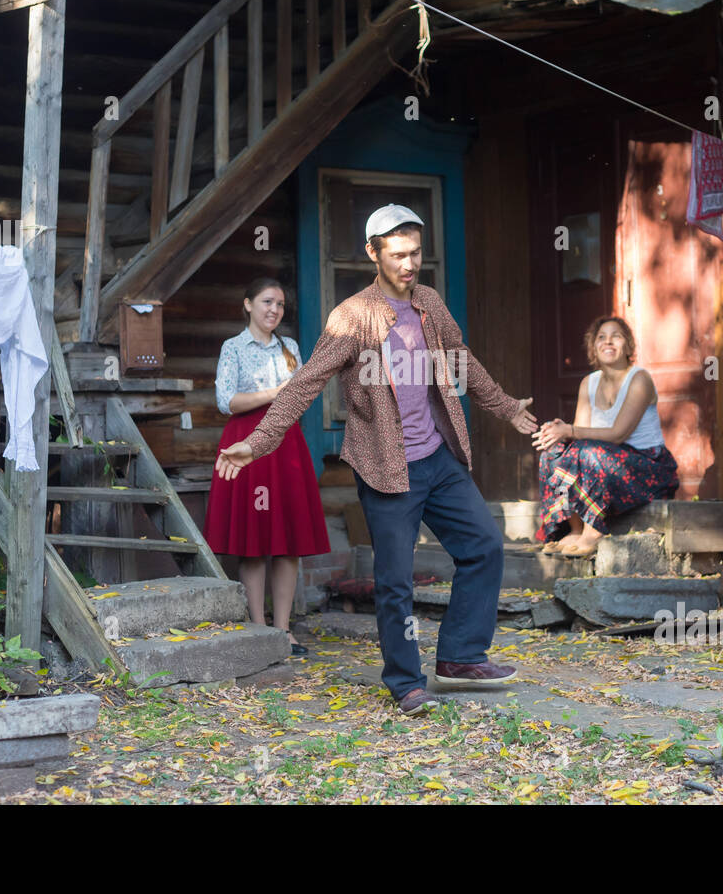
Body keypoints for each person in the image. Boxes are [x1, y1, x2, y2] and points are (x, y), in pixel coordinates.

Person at [215, 204, 539, 715]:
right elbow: (306, 383)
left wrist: (505, 408)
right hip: (388, 467)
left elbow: (462, 361)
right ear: (373, 253)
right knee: (395, 580)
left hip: (438, 456)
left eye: (415, 253)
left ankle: (459, 656)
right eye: (398, 254)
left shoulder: (429, 303)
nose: (409, 264)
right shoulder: (352, 317)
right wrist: (257, 442)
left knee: (483, 546)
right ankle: (405, 681)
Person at [204, 278, 331, 656]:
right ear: (248, 304)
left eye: (279, 304)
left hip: (286, 444)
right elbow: (226, 400)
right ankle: (258, 629)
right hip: (247, 443)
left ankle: (284, 630)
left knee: (287, 542)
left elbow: (304, 393)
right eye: (266, 302)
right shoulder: (233, 347)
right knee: (255, 541)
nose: (274, 309)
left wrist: (288, 396)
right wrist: (276, 393)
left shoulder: (289, 347)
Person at [531, 316, 679, 558]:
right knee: (554, 453)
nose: (608, 341)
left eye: (616, 336)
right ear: (593, 347)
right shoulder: (588, 383)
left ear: (628, 346)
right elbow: (577, 439)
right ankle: (575, 528)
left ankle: (593, 531)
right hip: (605, 462)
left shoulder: (640, 379)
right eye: (601, 337)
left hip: (647, 468)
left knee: (590, 453)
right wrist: (558, 431)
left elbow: (618, 434)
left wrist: (569, 430)